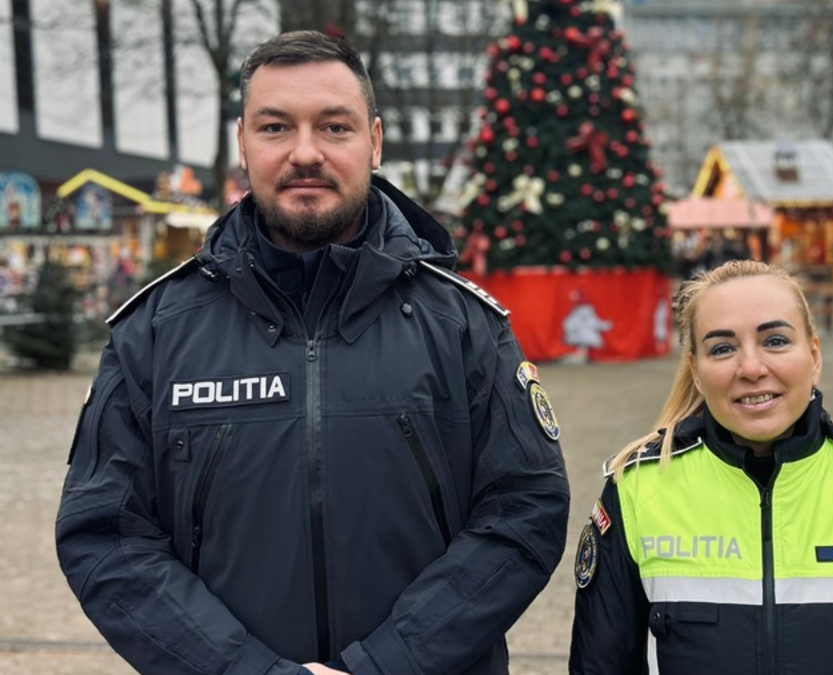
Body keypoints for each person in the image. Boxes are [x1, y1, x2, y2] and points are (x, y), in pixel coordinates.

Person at [56, 31, 570, 675]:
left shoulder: (462, 323)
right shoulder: (154, 332)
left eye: (334, 127)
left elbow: (524, 511)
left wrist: (386, 665)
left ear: (374, 142)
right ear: (243, 142)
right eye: (275, 127)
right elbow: (106, 536)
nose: (306, 153)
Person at [569, 260, 833, 674]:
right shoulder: (638, 491)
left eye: (775, 341)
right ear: (696, 371)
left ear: (814, 355)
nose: (751, 368)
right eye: (722, 348)